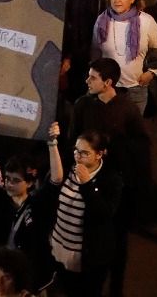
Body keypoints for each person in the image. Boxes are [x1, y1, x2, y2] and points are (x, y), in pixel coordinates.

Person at [45, 121, 122, 297]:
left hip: (87, 257)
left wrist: (87, 184)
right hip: (59, 246)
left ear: (99, 155)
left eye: (85, 153)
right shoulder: (68, 169)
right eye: (76, 151)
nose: (78, 156)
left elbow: (104, 214)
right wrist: (52, 141)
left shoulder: (111, 180)